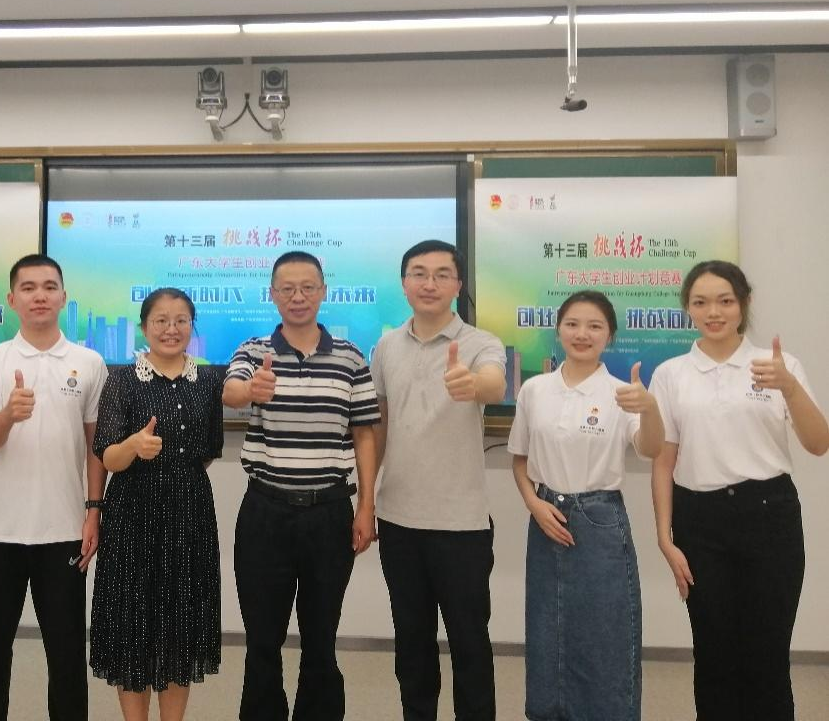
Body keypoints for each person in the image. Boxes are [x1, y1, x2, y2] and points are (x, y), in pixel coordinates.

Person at [650, 260, 828, 721]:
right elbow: (663, 461)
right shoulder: (671, 374)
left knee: (768, 654)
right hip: (699, 521)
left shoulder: (779, 366)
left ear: (743, 303)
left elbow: (818, 443)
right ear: (687, 308)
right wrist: (665, 537)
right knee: (714, 654)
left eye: (725, 301)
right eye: (701, 302)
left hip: (769, 515)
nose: (714, 312)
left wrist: (790, 388)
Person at [222, 250, 380, 721]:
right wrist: (250, 391)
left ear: (323, 291)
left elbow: (364, 433)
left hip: (329, 513)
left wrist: (366, 506)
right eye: (287, 288)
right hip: (265, 513)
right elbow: (230, 391)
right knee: (262, 641)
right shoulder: (254, 351)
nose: (298, 297)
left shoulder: (351, 357)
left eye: (307, 287)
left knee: (321, 640)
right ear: (272, 294)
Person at [0, 254, 108, 721]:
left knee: (66, 654)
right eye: (28, 288)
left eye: (49, 286)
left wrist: (93, 510)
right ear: (12, 299)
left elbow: (96, 447)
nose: (39, 295)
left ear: (64, 297)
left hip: (63, 531)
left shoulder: (89, 362)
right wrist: (9, 415)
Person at [508, 290, 664, 721]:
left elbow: (650, 449)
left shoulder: (621, 392)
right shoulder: (535, 390)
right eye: (573, 324)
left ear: (609, 335)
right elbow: (519, 459)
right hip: (546, 516)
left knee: (606, 633)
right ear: (558, 330)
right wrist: (533, 504)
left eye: (595, 326)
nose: (582, 333)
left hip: (600, 518)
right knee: (547, 629)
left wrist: (650, 409)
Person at [370, 239, 506, 721]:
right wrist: (365, 500)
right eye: (419, 273)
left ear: (458, 284)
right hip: (398, 520)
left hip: (461, 525)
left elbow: (494, 383)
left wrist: (473, 385)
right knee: (412, 645)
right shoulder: (386, 346)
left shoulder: (481, 343)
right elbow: (380, 425)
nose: (430, 283)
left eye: (442, 274)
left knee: (470, 644)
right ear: (404, 282)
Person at [89, 287, 223, 721]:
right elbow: (107, 456)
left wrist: (174, 472)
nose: (171, 329)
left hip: (189, 513)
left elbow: (208, 450)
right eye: (161, 320)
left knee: (180, 626)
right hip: (132, 513)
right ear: (144, 327)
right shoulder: (122, 380)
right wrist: (132, 446)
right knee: (133, 624)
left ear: (192, 327)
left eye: (181, 320)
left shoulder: (208, 382)